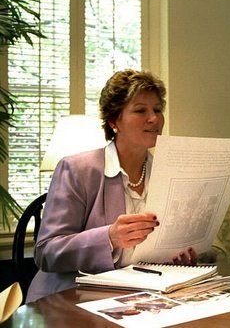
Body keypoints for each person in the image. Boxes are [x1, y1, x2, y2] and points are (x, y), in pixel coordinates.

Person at [26, 69, 197, 303]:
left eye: (157, 109)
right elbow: (46, 252)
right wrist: (109, 237)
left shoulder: (169, 173)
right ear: (114, 120)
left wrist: (179, 255)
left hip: (142, 298)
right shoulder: (76, 169)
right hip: (69, 301)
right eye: (140, 110)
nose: (154, 118)